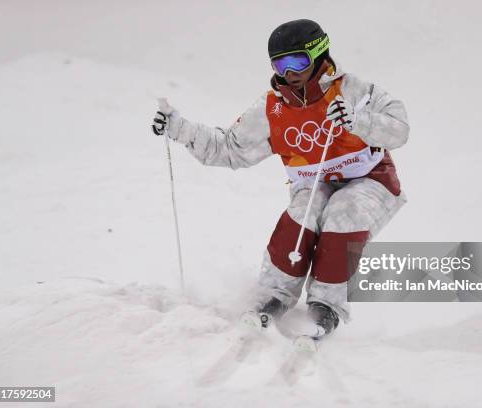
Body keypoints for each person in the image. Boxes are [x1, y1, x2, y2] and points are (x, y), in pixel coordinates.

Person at [152, 19, 409, 338]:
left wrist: (357, 121)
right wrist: (180, 129)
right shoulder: (272, 108)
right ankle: (273, 297)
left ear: (317, 55)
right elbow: (230, 150)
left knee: (342, 215)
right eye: (280, 64)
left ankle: (326, 306)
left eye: (297, 61)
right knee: (302, 216)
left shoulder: (354, 90)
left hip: (370, 179)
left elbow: (399, 129)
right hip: (314, 184)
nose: (289, 72)